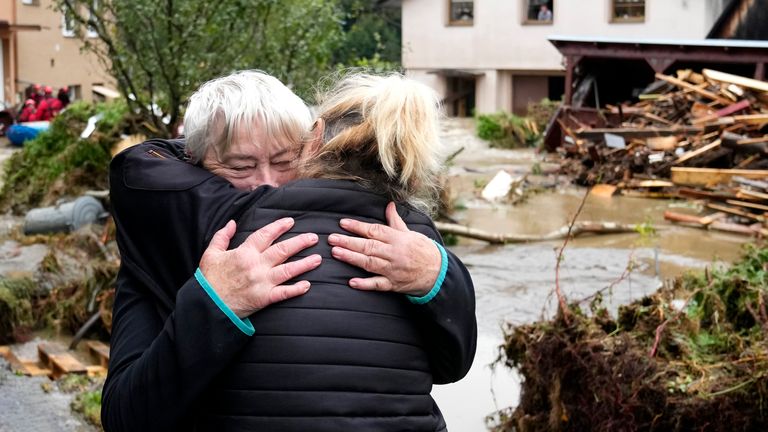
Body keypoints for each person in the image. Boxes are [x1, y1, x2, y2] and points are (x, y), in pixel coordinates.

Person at [104, 70, 476, 431]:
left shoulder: (403, 242)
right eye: (239, 165)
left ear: (312, 147)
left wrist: (436, 275)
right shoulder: (164, 237)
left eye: (284, 162)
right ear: (192, 165)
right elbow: (125, 415)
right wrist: (214, 303)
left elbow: (448, 365)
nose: (265, 184)